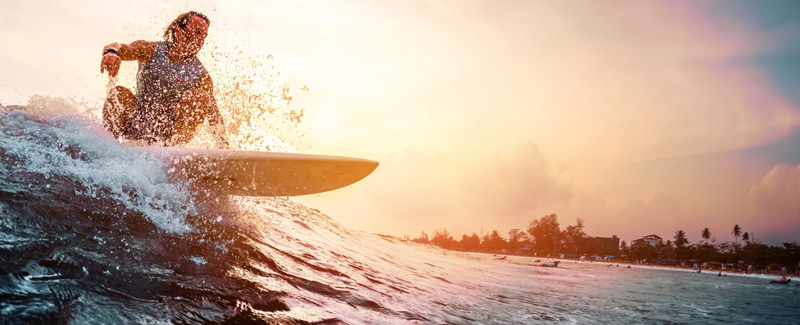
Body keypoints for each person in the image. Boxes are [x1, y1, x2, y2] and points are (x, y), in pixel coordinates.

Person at [100, 11, 228, 148]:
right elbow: (119, 47)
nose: (201, 40)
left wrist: (225, 148)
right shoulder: (150, 49)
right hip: (137, 123)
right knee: (119, 93)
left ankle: (173, 151)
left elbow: (215, 117)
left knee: (202, 97)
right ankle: (108, 147)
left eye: (204, 35)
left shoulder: (201, 75)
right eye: (197, 32)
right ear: (178, 30)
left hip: (169, 135)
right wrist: (111, 53)